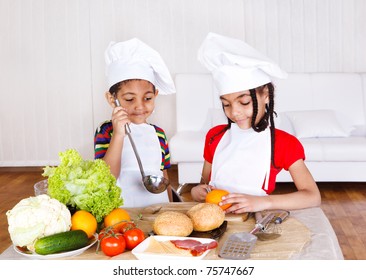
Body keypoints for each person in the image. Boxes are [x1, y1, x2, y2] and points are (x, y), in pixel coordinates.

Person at [191, 32, 321, 213]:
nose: (234, 112)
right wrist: (197, 191)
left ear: (266, 95)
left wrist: (264, 202)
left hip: (255, 221)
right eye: (226, 104)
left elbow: (312, 196)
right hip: (214, 218)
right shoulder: (215, 136)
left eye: (244, 102)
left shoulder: (283, 143)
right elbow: (204, 184)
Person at [94, 38, 176, 207]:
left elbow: (163, 176)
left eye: (147, 98)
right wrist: (118, 134)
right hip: (122, 211)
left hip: (157, 208)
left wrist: (170, 206)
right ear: (112, 99)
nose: (139, 106)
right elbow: (107, 177)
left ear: (156, 95)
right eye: (130, 99)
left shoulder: (159, 133)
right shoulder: (106, 130)